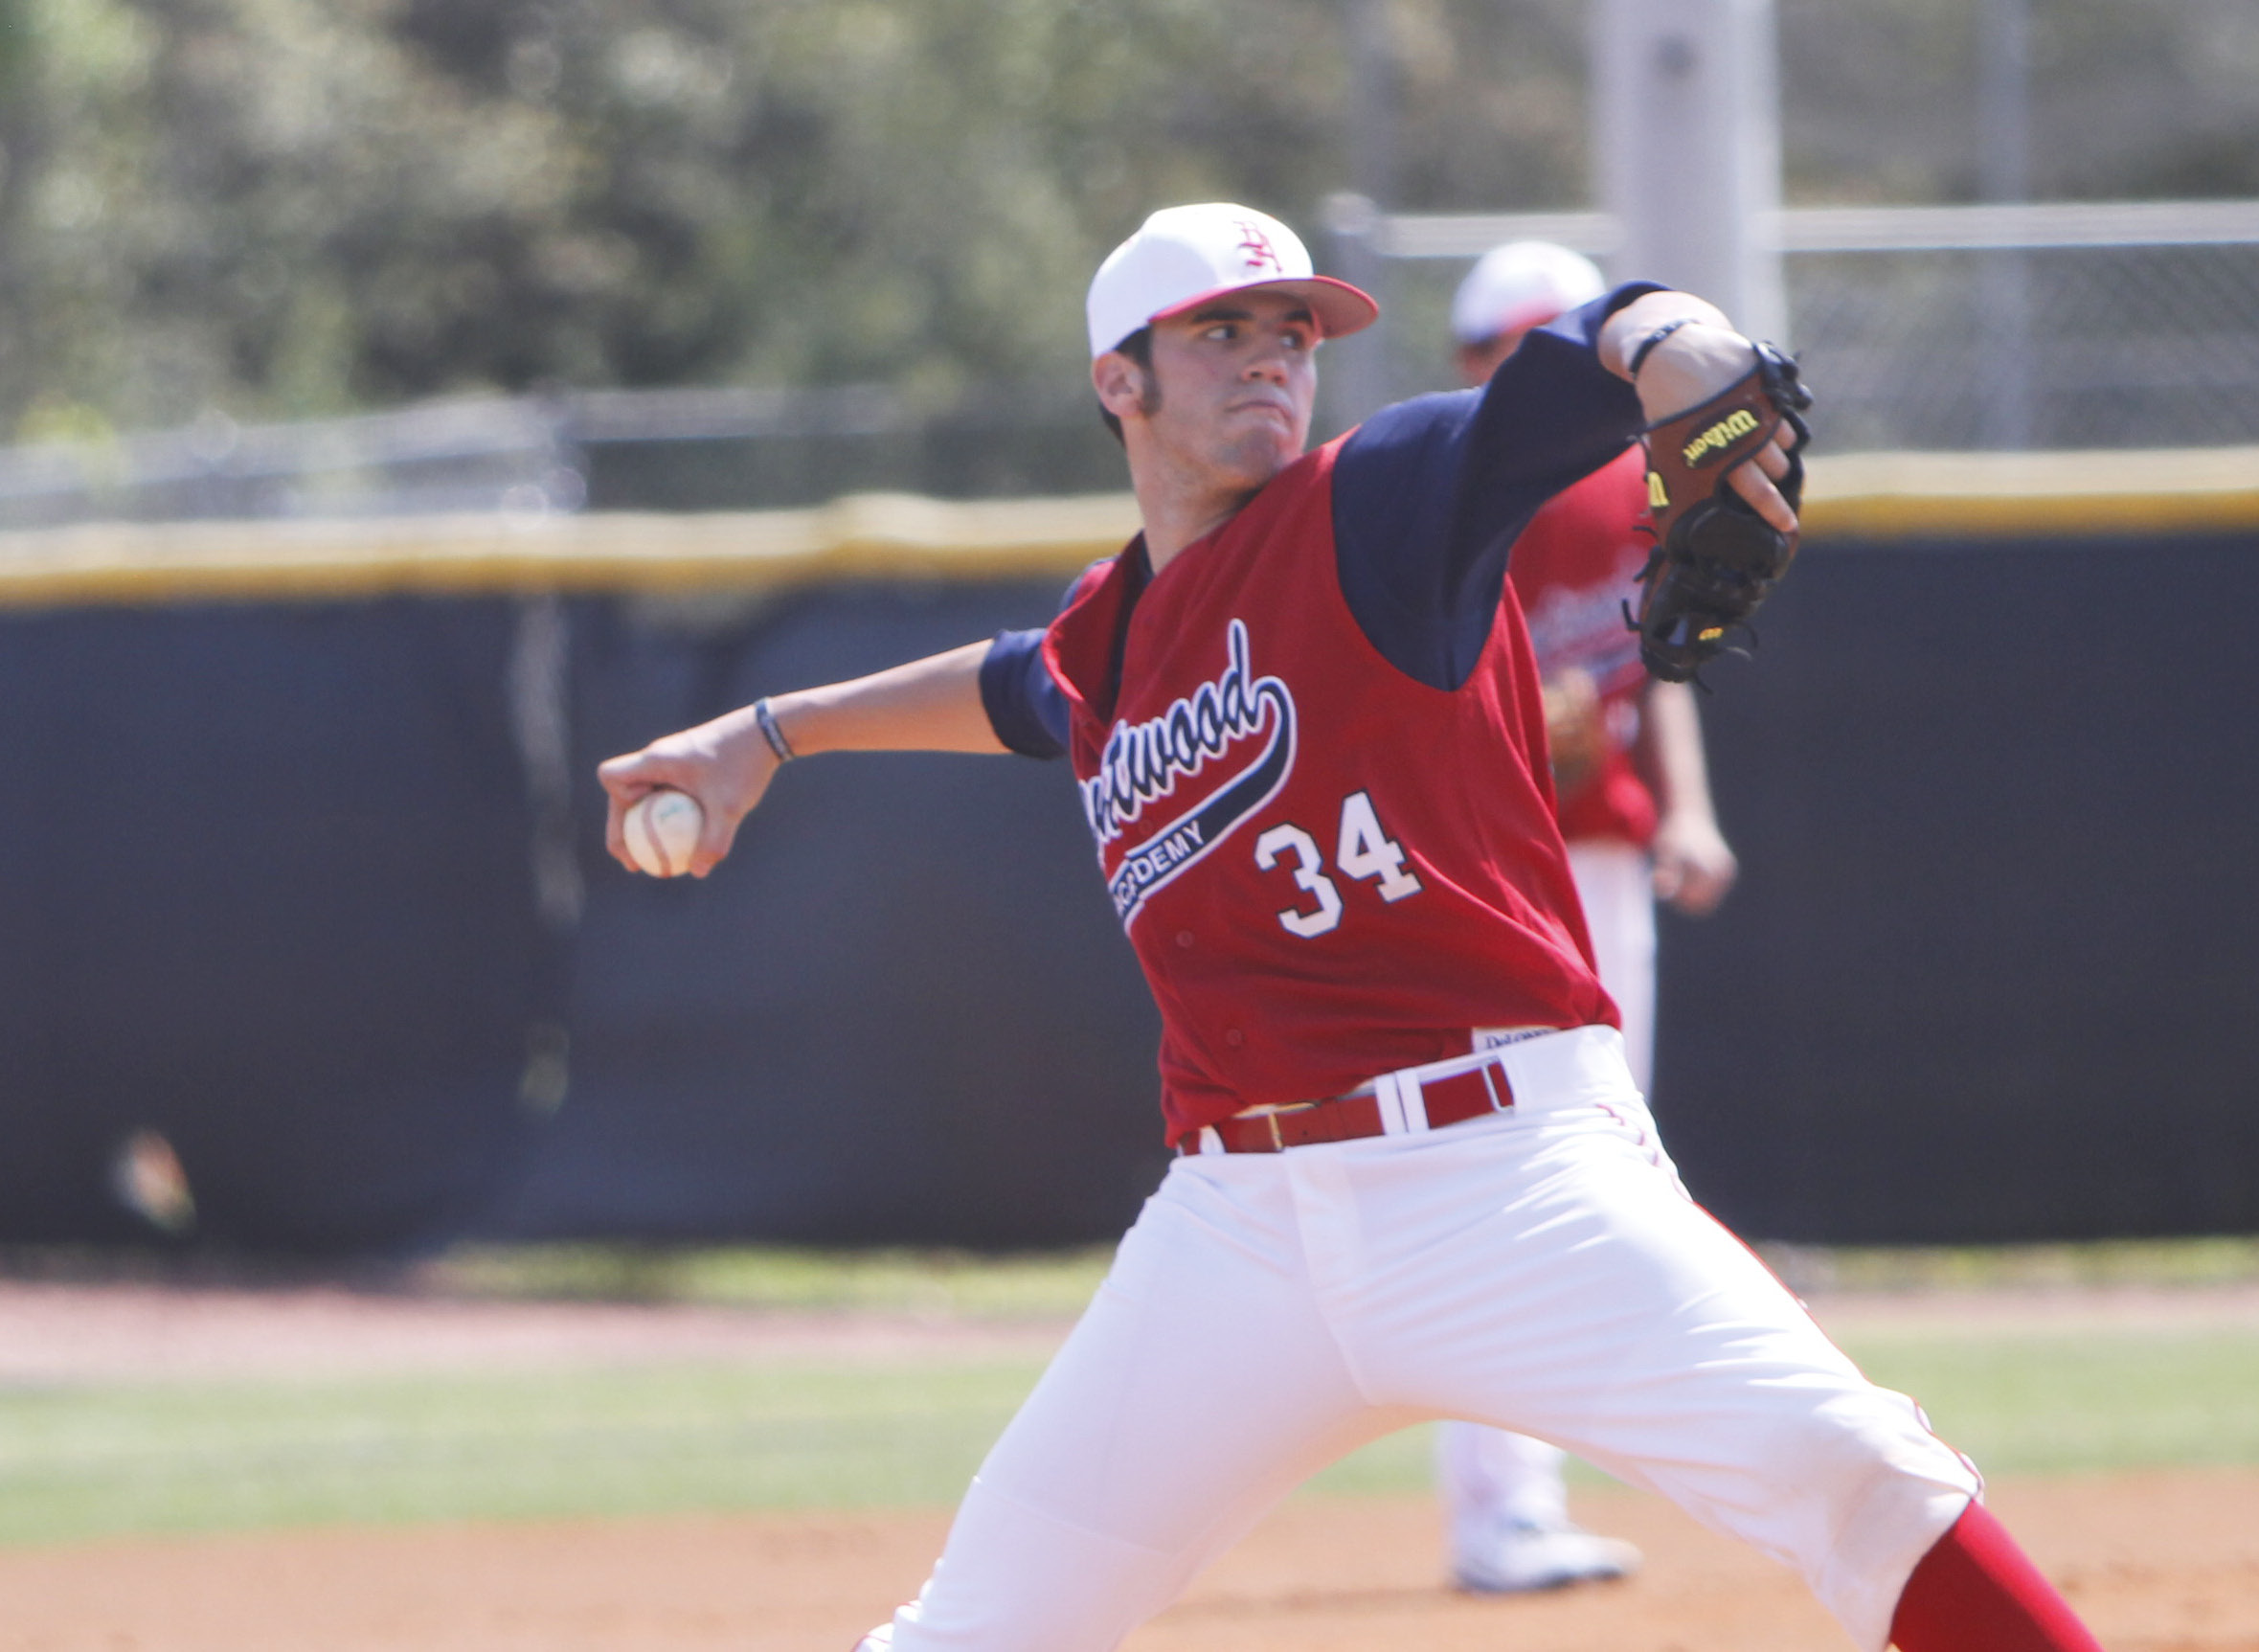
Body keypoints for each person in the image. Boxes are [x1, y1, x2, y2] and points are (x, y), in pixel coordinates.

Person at [599, 202, 2106, 1652]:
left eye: (1295, 330)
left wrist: (1668, 331)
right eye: (1221, 329)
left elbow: (1566, 370)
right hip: (1239, 1231)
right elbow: (1016, 685)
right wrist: (764, 734)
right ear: (1116, 379)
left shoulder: (1380, 503)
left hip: (1505, 1177)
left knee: (1860, 1483)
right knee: (983, 1625)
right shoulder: (1109, 633)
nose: (1272, 354)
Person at [1427, 239, 1742, 1595]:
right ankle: (1499, 1505)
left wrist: (1690, 807)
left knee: (1602, 1164)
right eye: (1517, 345)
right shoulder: (1438, 498)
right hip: (1490, 872)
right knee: (1503, 1173)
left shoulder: (1629, 491)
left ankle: (1539, 1487)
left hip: (1605, 857)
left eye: (1564, 338)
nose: (1547, 367)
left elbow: (1658, 654)